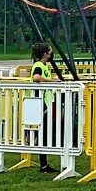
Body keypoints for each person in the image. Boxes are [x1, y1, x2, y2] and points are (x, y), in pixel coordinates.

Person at [29, 42, 58, 174]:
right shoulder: (39, 65)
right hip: (41, 104)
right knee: (44, 133)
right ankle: (43, 164)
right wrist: (52, 81)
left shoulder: (44, 65)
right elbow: (36, 78)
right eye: (50, 52)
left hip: (45, 102)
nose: (51, 54)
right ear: (45, 54)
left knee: (45, 134)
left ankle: (44, 164)